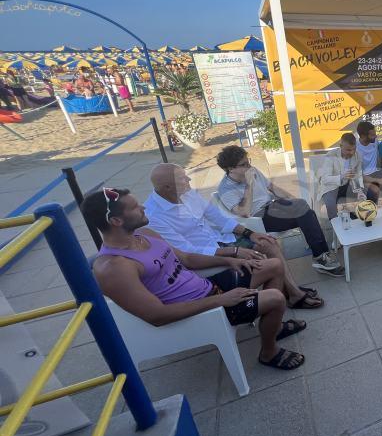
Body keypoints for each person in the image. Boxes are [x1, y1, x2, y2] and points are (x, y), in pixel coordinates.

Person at [83, 188, 306, 371]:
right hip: (203, 309)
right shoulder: (113, 268)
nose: (142, 207)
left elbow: (187, 259)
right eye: (134, 207)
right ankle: (269, 352)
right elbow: (157, 316)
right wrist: (221, 300)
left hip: (210, 289)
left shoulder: (145, 235)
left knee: (273, 265)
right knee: (276, 298)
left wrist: (230, 259)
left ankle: (272, 329)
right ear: (115, 220)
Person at [143, 163, 323, 309]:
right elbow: (189, 253)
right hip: (207, 259)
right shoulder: (154, 217)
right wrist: (235, 251)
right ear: (167, 187)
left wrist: (250, 234)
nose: (189, 179)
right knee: (269, 263)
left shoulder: (187, 194)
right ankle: (292, 295)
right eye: (183, 178)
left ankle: (291, 294)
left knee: (269, 243)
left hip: (221, 240)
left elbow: (218, 217)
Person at [215, 145, 344, 277]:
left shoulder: (252, 170)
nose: (249, 166)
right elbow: (244, 212)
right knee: (305, 213)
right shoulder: (225, 189)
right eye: (244, 164)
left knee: (305, 211)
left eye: (249, 161)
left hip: (273, 206)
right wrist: (249, 185)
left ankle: (321, 255)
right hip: (258, 218)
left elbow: (271, 187)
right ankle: (321, 256)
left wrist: (292, 200)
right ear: (231, 168)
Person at [316, 133, 376, 217]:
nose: (351, 152)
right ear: (340, 146)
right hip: (330, 187)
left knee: (370, 193)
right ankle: (336, 226)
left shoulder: (357, 155)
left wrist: (360, 190)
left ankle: (366, 217)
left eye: (354, 149)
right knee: (330, 204)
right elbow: (324, 179)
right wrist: (341, 176)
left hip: (348, 185)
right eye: (348, 150)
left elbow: (358, 175)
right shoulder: (330, 156)